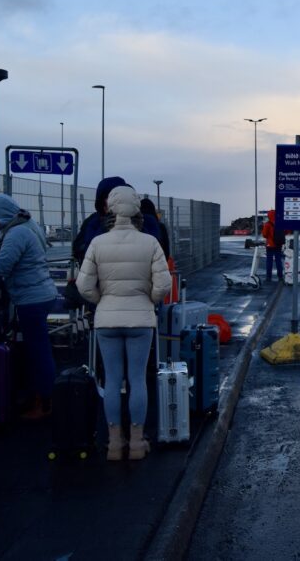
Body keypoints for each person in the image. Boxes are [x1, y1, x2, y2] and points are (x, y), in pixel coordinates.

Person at [76, 185, 171, 460]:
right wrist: (149, 298)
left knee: (113, 379)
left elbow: (84, 285)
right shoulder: (150, 242)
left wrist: (100, 299)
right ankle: (138, 443)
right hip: (140, 320)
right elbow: (163, 284)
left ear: (110, 208)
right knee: (137, 379)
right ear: (136, 209)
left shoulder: (98, 242)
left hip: (107, 319)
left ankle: (115, 444)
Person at [0, 193, 58, 419]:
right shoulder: (28, 226)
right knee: (37, 348)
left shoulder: (17, 233)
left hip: (31, 298)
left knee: (38, 350)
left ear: (3, 216)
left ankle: (45, 402)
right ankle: (40, 396)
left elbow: (1, 266)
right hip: (39, 294)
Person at [72, 177, 164, 263]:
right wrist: (101, 231)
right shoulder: (93, 222)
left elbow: (157, 254)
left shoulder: (146, 221)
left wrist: (141, 230)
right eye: (106, 199)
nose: (109, 202)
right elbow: (82, 253)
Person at [261, 210, 285, 283]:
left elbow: (264, 234)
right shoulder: (280, 223)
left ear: (269, 216)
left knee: (269, 261)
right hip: (278, 245)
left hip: (270, 245)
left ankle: (269, 277)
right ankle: (280, 277)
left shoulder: (267, 224)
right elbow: (286, 231)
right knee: (278, 261)